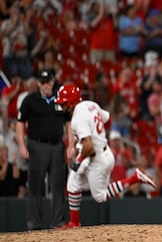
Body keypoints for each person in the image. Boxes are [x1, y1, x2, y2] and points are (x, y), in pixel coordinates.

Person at [53, 84, 156, 229]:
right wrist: (99, 136)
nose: (61, 106)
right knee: (72, 183)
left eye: (63, 103)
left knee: (100, 197)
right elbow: (107, 119)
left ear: (70, 102)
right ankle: (74, 223)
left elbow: (88, 146)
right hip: (100, 152)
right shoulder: (90, 104)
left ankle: (134, 178)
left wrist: (78, 160)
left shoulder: (77, 118)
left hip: (97, 158)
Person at [16, 70, 74, 230]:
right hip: (37, 145)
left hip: (57, 145)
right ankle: (34, 223)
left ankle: (58, 222)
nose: (47, 85)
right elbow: (20, 122)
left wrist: (71, 144)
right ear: (39, 84)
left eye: (49, 81)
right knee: (35, 185)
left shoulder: (61, 100)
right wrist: (21, 144)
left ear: (53, 81)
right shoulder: (29, 100)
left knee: (58, 185)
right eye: (43, 82)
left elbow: (68, 123)